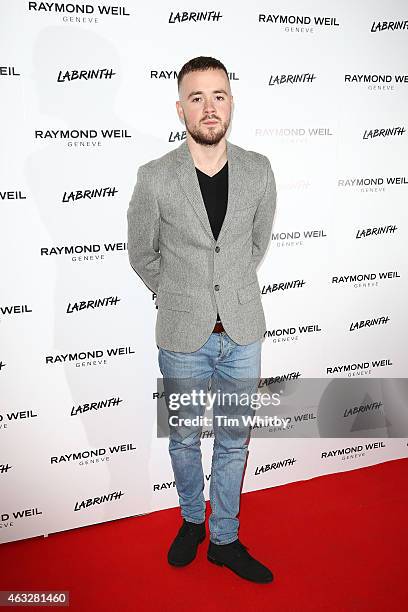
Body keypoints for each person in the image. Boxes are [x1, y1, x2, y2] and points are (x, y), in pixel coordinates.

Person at [127, 56, 277, 583]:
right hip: (183, 339)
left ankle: (225, 539)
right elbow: (142, 254)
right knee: (186, 439)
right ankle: (193, 521)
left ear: (231, 102)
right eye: (197, 97)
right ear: (180, 108)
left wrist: (226, 291)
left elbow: (254, 245)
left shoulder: (258, 169)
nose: (209, 107)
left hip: (242, 334)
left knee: (235, 440)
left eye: (219, 95)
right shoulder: (155, 177)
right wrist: (180, 296)